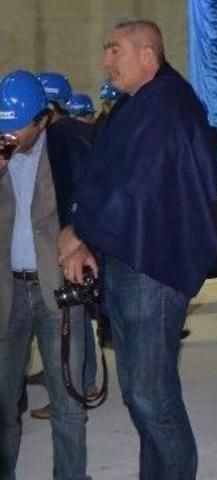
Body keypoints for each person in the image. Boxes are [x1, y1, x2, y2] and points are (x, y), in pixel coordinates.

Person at [57, 19, 217, 479]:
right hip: (134, 257)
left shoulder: (165, 108)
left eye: (115, 51)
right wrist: (81, 227)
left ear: (147, 55)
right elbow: (109, 177)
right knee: (138, 393)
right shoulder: (142, 105)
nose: (105, 62)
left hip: (153, 265)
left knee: (153, 396)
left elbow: (138, 190)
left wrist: (81, 231)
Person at [0, 69, 90, 480]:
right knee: (3, 405)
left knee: (67, 402)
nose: (11, 138)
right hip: (7, 293)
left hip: (58, 291)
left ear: (42, 119)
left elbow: (98, 203)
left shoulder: (70, 146)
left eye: (19, 130)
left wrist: (81, 237)